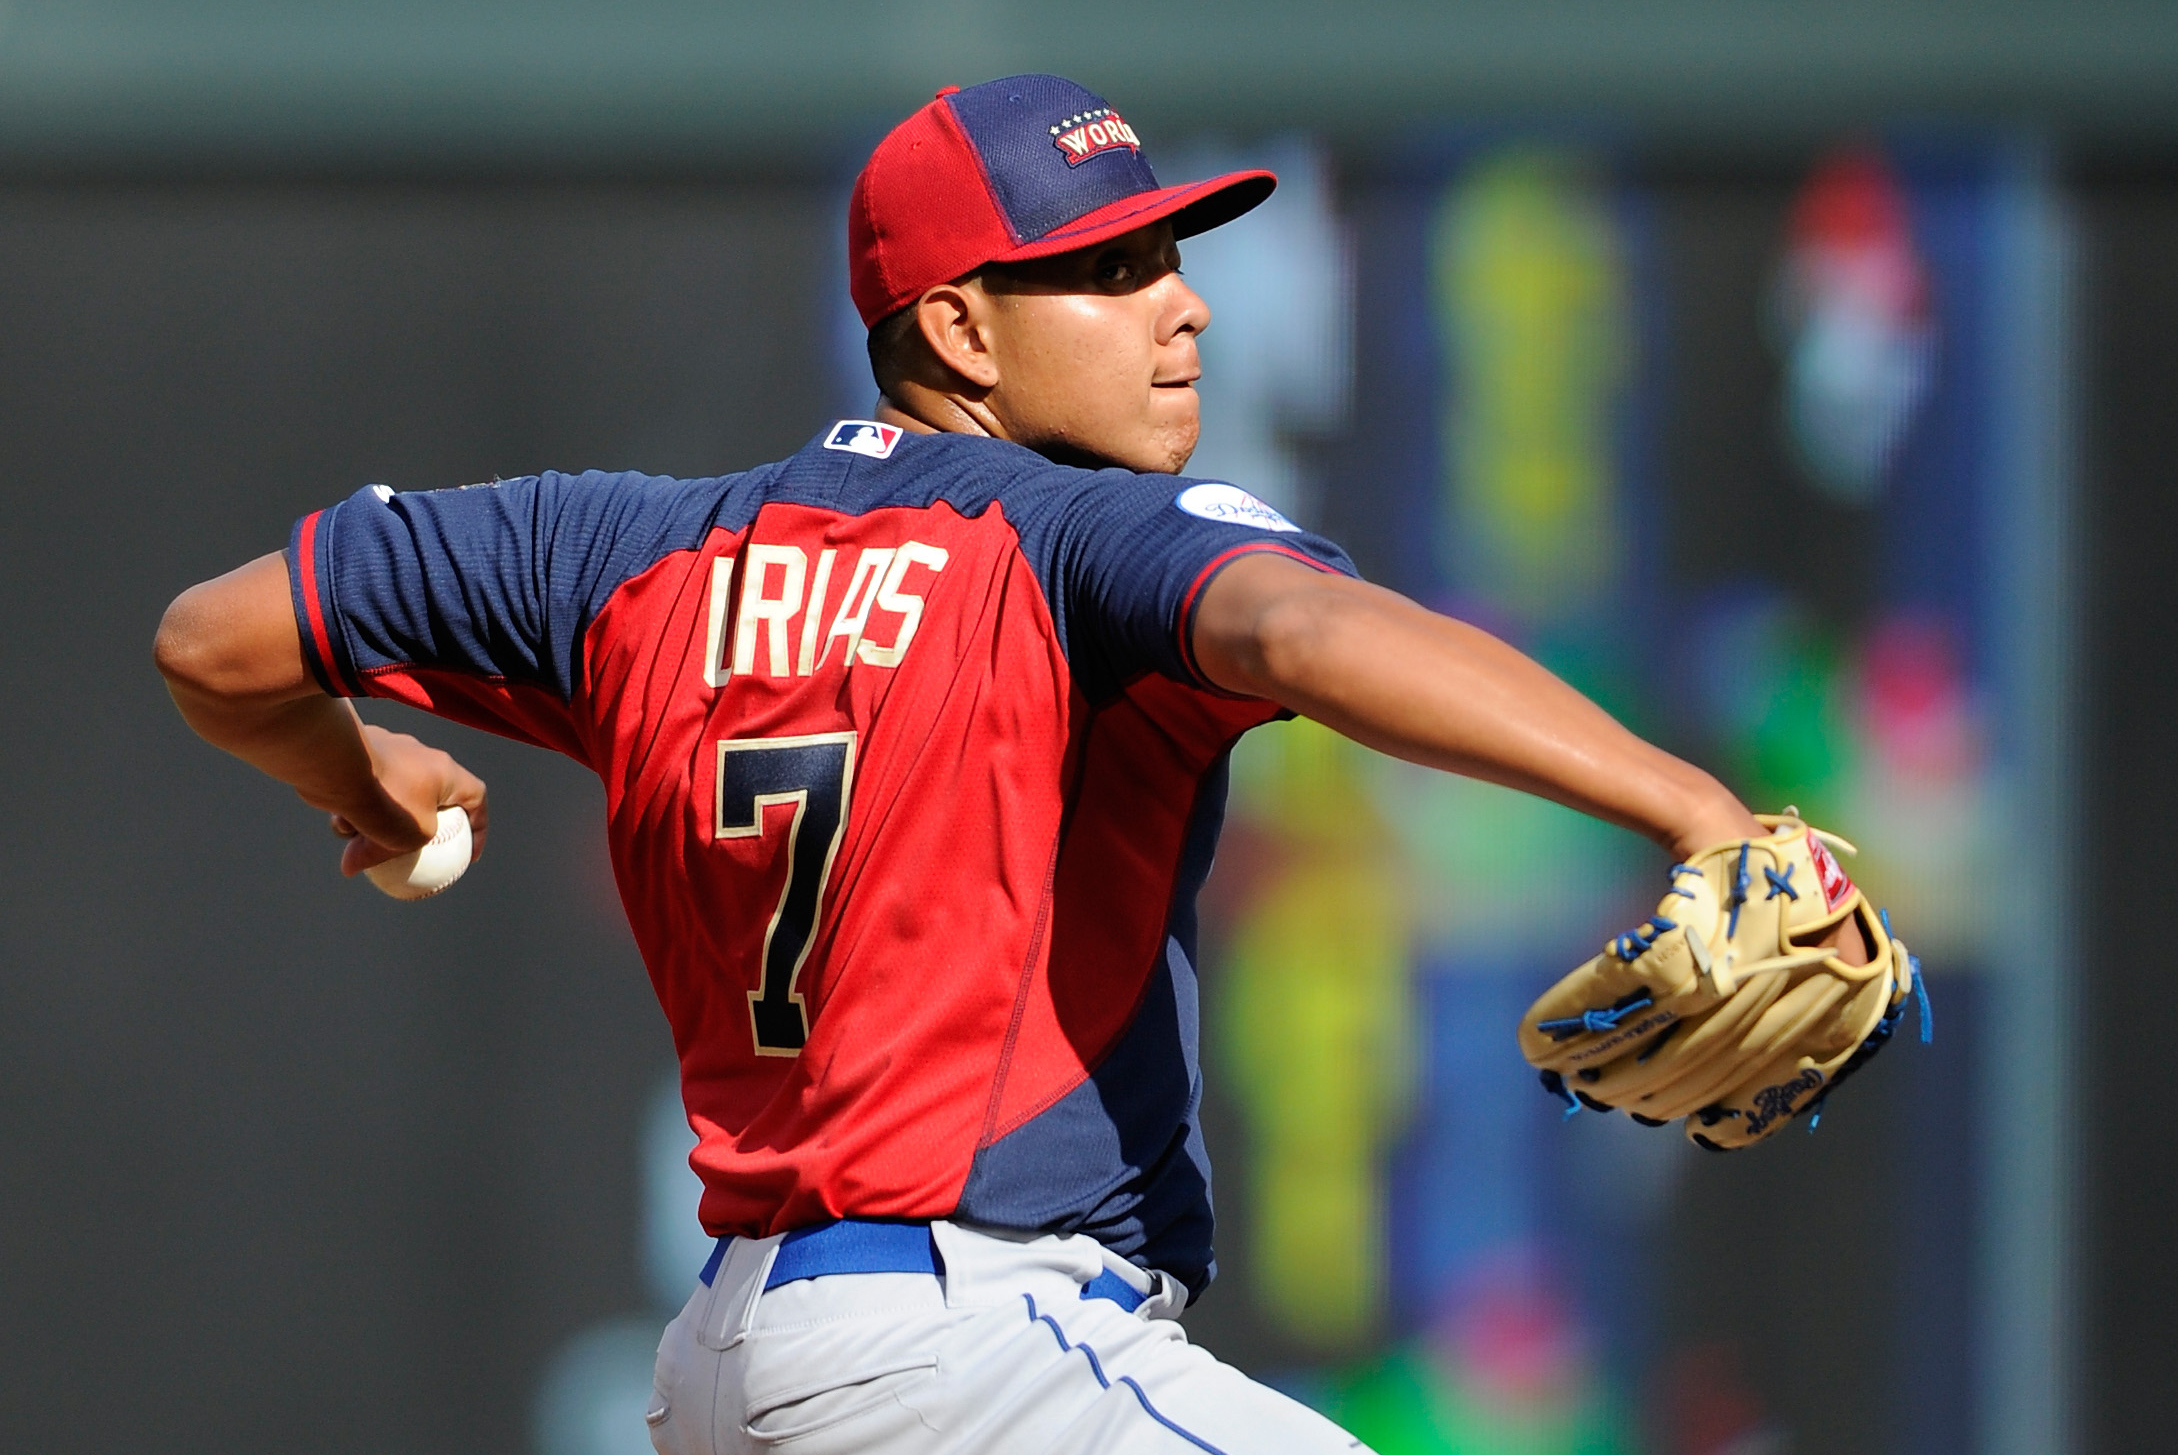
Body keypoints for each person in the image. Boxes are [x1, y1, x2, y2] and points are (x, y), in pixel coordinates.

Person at [155, 74, 1842, 1455]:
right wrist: (1686, 804)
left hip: (735, 1370)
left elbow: (214, 645)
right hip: (976, 1358)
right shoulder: (1075, 541)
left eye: (1168, 257)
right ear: (957, 329)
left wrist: (361, 784)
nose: (1179, 306)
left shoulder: (618, 553)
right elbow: (1298, 637)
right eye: (1106, 275)